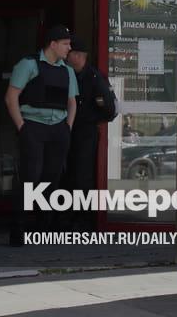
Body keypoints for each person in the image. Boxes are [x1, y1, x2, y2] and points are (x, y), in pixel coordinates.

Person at [5, 25, 79, 246]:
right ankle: (18, 230)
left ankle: (42, 228)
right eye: (65, 44)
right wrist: (22, 127)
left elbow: (72, 102)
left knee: (51, 180)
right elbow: (11, 97)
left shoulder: (67, 70)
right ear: (53, 44)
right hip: (33, 126)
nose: (69, 48)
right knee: (30, 178)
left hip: (58, 129)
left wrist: (67, 127)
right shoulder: (29, 65)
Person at [63, 37, 117, 230]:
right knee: (66, 174)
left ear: (78, 56)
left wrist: (90, 118)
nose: (66, 55)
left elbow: (109, 109)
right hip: (66, 130)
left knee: (81, 176)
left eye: (69, 52)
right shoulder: (66, 72)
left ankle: (82, 221)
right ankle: (64, 218)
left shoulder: (94, 77)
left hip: (84, 132)